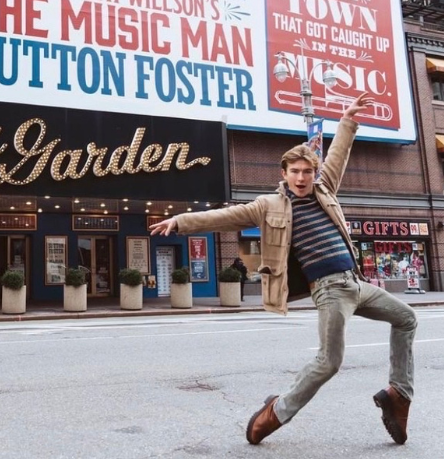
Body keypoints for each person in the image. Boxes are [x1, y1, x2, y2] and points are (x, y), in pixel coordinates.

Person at [149, 93, 417, 446]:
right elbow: (224, 216)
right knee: (329, 362)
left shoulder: (325, 190)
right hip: (330, 290)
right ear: (284, 173)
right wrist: (181, 221)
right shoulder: (269, 205)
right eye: (296, 172)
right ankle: (275, 412)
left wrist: (348, 120)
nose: (303, 178)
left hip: (357, 284)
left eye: (308, 171)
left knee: (407, 318)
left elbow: (338, 154)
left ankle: (398, 394)